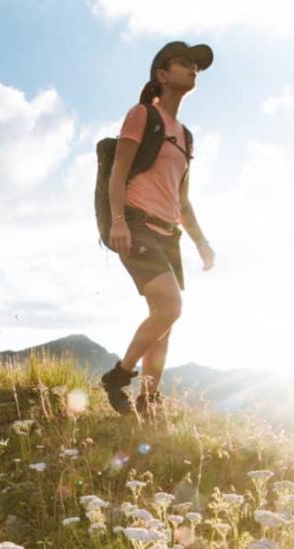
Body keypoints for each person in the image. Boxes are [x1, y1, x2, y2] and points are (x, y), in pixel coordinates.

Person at [101, 41, 215, 416]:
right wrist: (118, 220)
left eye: (196, 65)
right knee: (170, 306)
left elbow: (183, 201)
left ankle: (149, 401)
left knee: (165, 322)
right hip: (136, 223)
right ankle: (118, 376)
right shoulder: (141, 115)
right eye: (184, 63)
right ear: (162, 75)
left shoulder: (186, 136)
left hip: (169, 232)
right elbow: (119, 173)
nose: (192, 69)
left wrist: (201, 243)